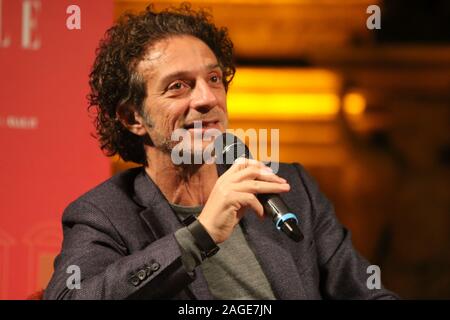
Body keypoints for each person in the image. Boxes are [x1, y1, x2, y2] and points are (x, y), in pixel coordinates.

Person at [44, 4, 398, 300]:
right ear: (133, 117)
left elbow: (364, 291)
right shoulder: (104, 214)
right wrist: (200, 234)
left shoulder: (291, 186)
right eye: (178, 86)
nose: (207, 99)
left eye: (213, 79)